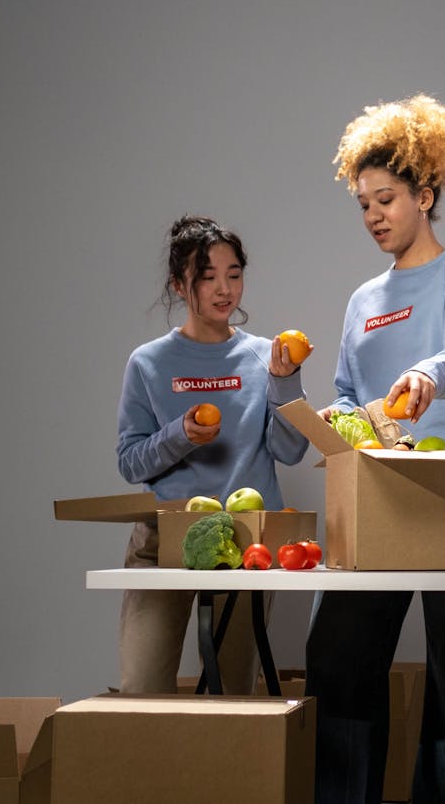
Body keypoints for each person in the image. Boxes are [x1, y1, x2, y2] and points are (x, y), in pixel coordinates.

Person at [304, 94, 445, 804]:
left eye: (386, 198)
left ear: (425, 193)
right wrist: (337, 415)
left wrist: (425, 374)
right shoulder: (362, 299)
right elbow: (351, 391)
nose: (374, 215)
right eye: (363, 203)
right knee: (338, 657)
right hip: (379, 490)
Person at [116, 214, 312, 694]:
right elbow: (130, 462)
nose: (224, 290)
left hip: (248, 542)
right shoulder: (148, 362)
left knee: (234, 699)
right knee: (141, 691)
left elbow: (291, 451)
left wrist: (286, 381)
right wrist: (181, 434)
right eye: (208, 277)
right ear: (179, 285)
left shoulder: (265, 355)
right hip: (164, 538)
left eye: (234, 274)